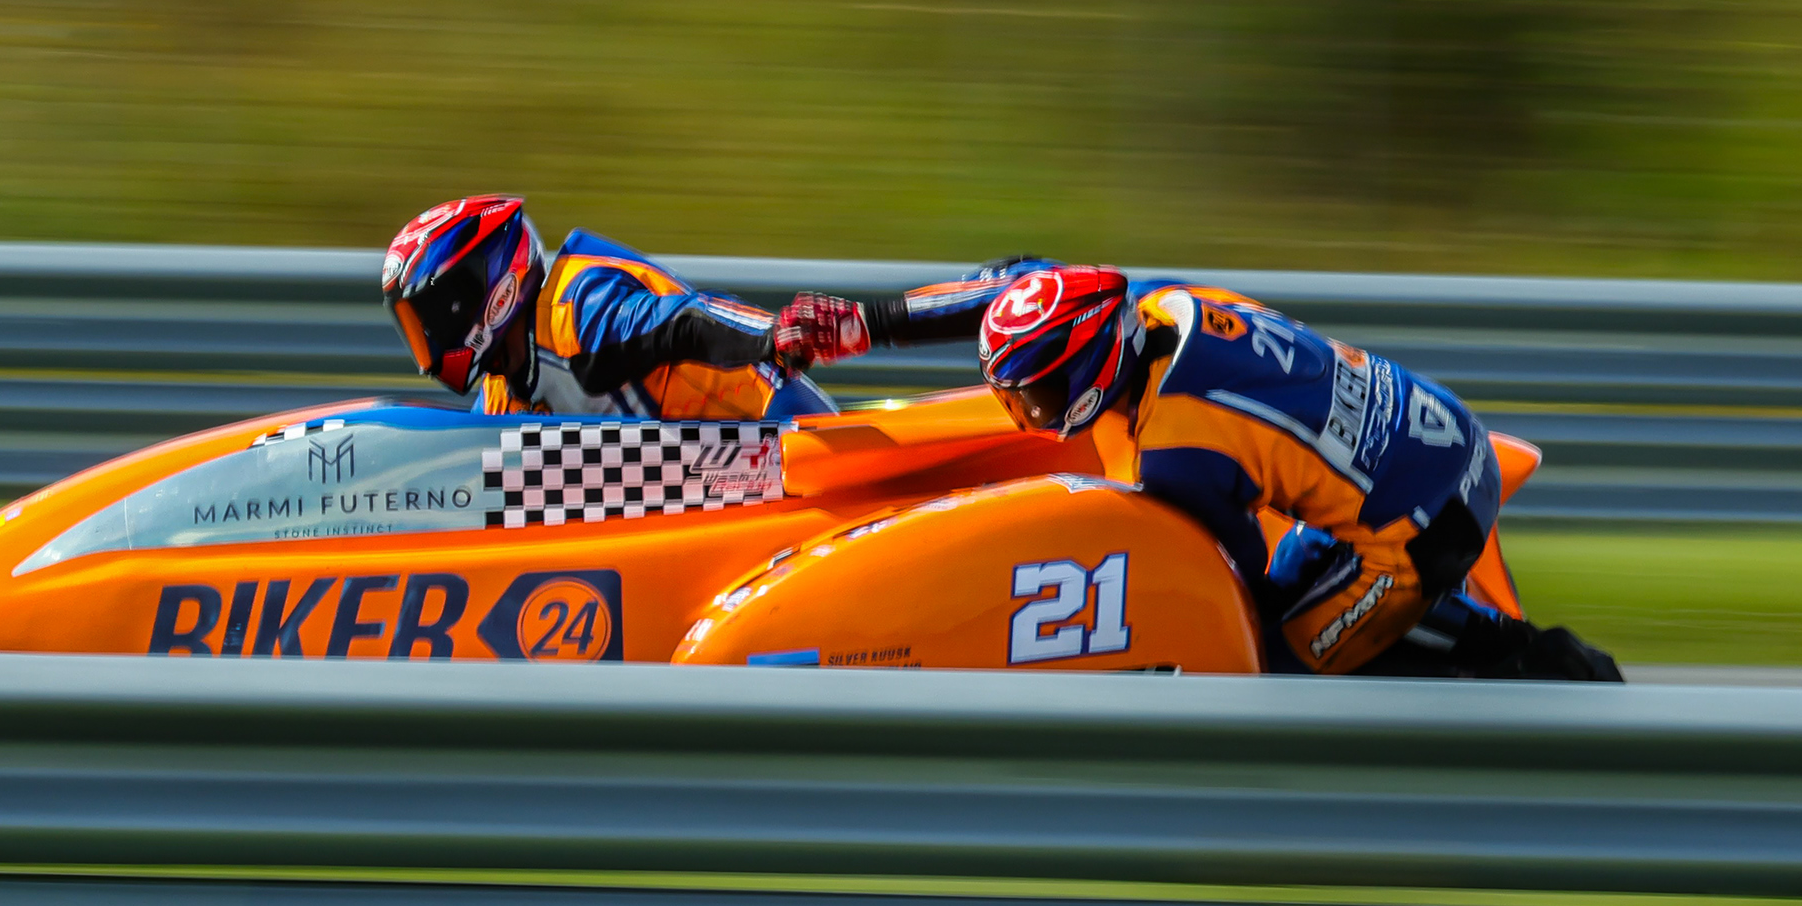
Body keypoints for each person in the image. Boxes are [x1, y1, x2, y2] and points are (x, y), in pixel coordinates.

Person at [771, 264, 1620, 681]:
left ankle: (1527, 665)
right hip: (1441, 427)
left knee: (1273, 660)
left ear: (1095, 365)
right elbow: (1013, 287)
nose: (1026, 413)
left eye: (1039, 394)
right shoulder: (1160, 305)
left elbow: (1228, 579)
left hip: (1424, 523)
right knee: (1302, 575)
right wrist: (874, 322)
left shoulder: (1180, 447)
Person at [381, 194, 838, 422]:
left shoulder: (580, 312)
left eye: (432, 319)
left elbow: (688, 321)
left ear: (490, 294)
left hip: (782, 435)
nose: (428, 340)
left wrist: (775, 333)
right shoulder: (499, 399)